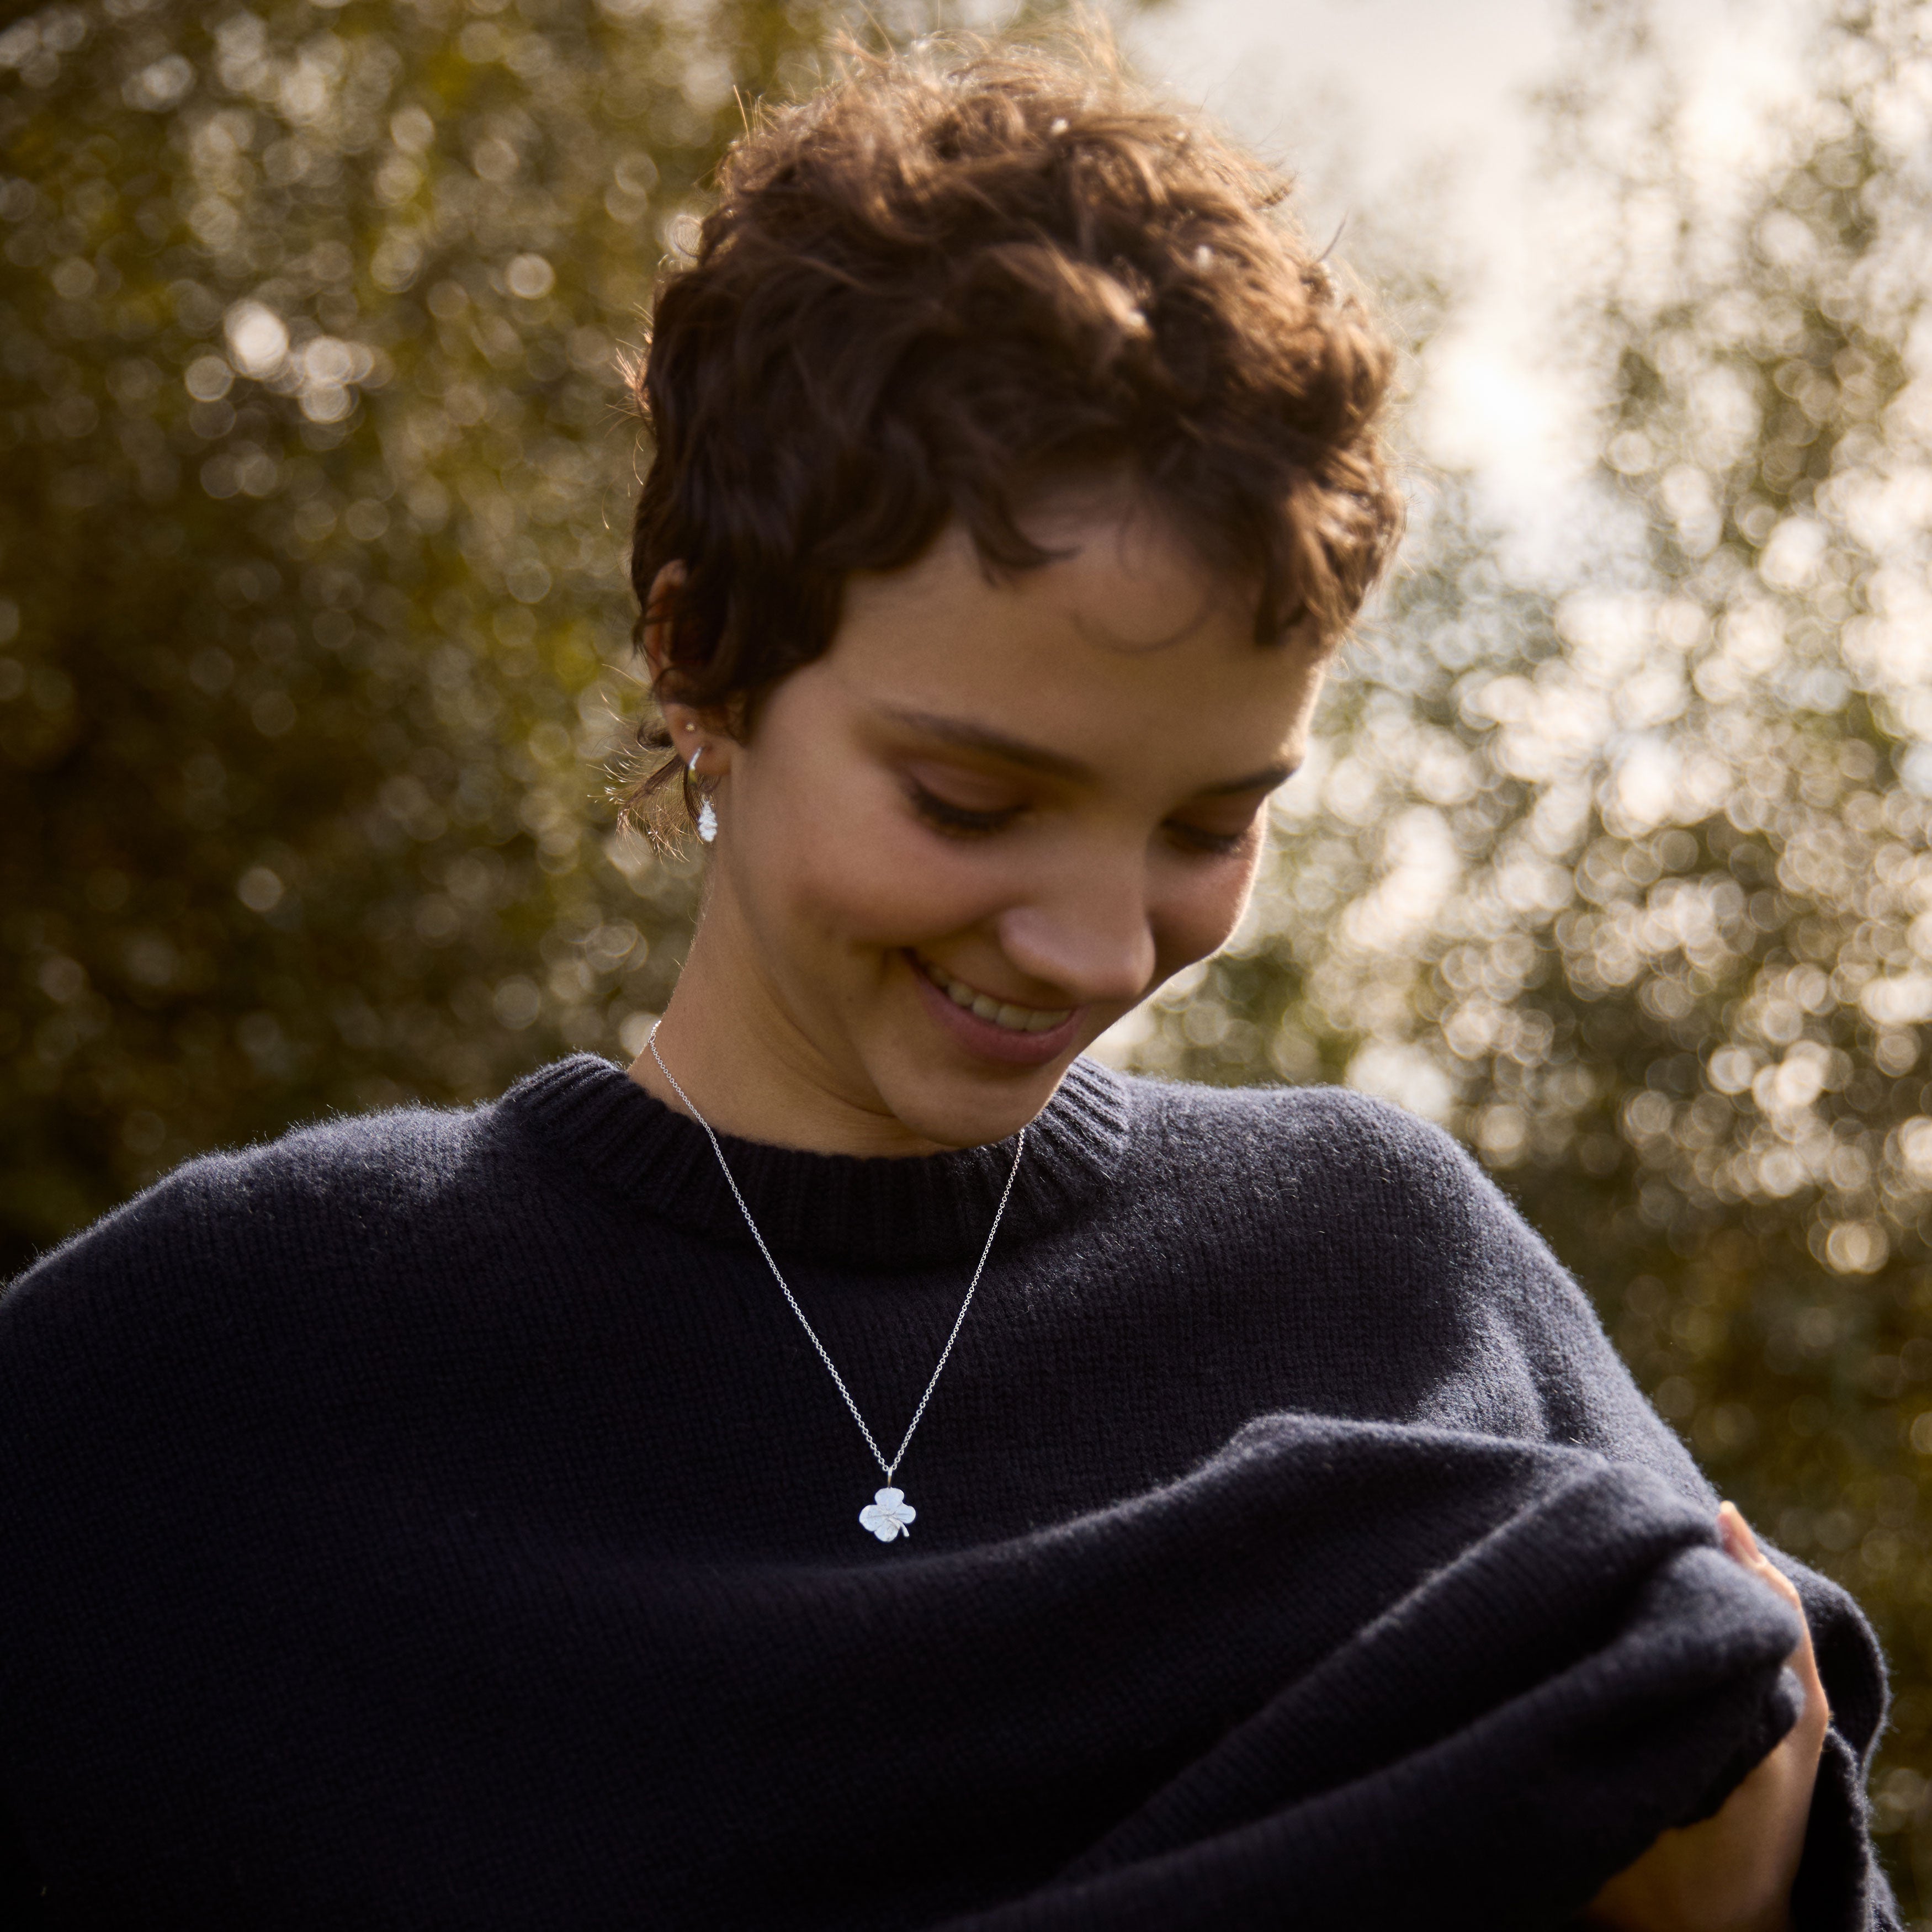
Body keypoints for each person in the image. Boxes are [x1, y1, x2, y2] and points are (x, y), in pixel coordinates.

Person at [0, 26, 1895, 1931]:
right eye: (972, 798)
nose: (1096, 943)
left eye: (1203, 824)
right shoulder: (226, 1358)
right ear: (703, 663)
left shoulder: (1394, 1277)